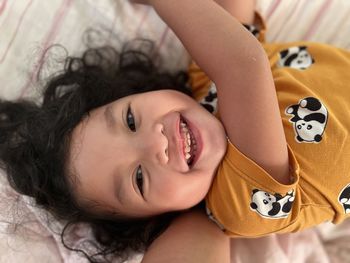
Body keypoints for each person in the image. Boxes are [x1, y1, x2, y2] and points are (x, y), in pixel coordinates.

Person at [1, 0, 350, 262]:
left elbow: (236, 24)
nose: (156, 143)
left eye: (131, 120)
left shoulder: (204, 81)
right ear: (160, 216)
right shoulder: (240, 201)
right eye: (139, 178)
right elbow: (244, 64)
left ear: (139, 92)